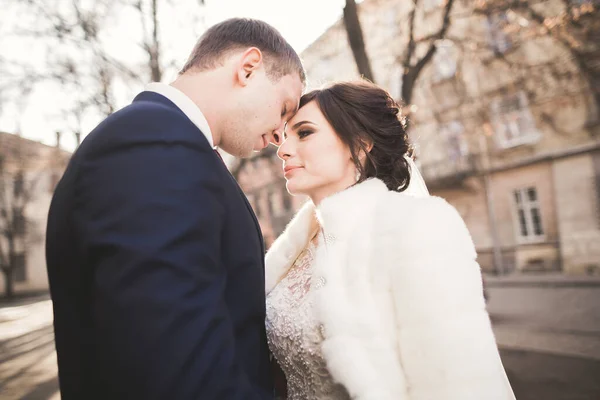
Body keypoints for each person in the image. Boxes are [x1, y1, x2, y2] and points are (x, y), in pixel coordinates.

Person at [45, 18, 304, 400]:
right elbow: (183, 373)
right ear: (248, 68)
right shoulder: (150, 143)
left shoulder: (169, 144)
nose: (281, 134)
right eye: (284, 108)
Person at [265, 81, 515, 399]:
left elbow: (456, 382)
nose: (283, 150)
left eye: (304, 133)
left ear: (360, 143)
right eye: (284, 137)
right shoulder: (293, 254)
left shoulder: (416, 228)